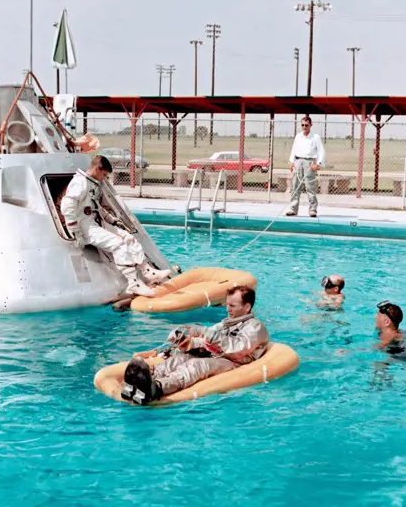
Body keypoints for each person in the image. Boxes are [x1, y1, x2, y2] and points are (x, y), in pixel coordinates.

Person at [121, 286, 269, 405]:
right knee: (179, 359)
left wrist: (204, 331)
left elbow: (238, 349)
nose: (227, 309)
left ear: (247, 307)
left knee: (196, 365)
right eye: (227, 304)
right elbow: (209, 341)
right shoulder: (226, 324)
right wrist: (186, 342)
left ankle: (157, 388)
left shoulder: (255, 327)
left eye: (232, 305)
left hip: (233, 362)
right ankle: (140, 380)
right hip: (216, 355)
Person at [61, 155, 172, 297]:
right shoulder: (80, 183)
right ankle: (134, 284)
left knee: (128, 238)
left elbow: (96, 207)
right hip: (84, 226)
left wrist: (112, 220)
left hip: (94, 222)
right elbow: (67, 205)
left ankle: (147, 271)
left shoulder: (91, 183)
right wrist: (75, 231)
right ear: (97, 169)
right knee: (118, 244)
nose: (104, 178)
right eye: (104, 174)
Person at [286, 116, 326, 218]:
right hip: (298, 162)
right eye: (302, 125)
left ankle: (313, 209)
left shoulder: (315, 137)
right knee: (295, 186)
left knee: (310, 187)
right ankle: (293, 209)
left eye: (306, 125)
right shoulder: (298, 136)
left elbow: (321, 151)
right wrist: (291, 162)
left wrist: (317, 164)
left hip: (309, 163)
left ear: (310, 125)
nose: (304, 127)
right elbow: (294, 149)